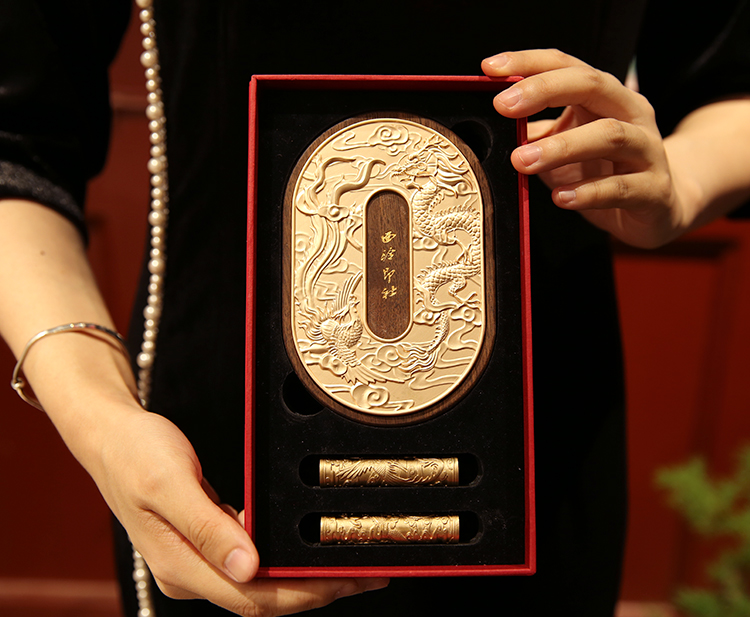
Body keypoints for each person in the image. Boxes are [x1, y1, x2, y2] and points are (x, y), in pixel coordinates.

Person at [1, 1, 749, 615]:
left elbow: (731, 86)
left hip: (534, 438)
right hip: (212, 451)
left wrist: (678, 185)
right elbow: (17, 142)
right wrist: (100, 420)